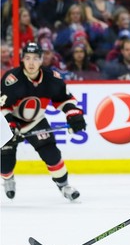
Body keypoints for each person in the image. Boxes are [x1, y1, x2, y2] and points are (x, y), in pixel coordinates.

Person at [0, 42, 86, 201]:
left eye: (35, 58)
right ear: (22, 59)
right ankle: (7, 178)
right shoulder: (11, 79)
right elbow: (2, 107)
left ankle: (64, 185)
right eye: (27, 58)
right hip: (9, 125)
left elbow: (65, 100)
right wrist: (11, 125)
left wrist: (73, 114)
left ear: (41, 60)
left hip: (35, 122)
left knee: (51, 154)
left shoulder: (51, 79)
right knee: (5, 164)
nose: (31, 62)